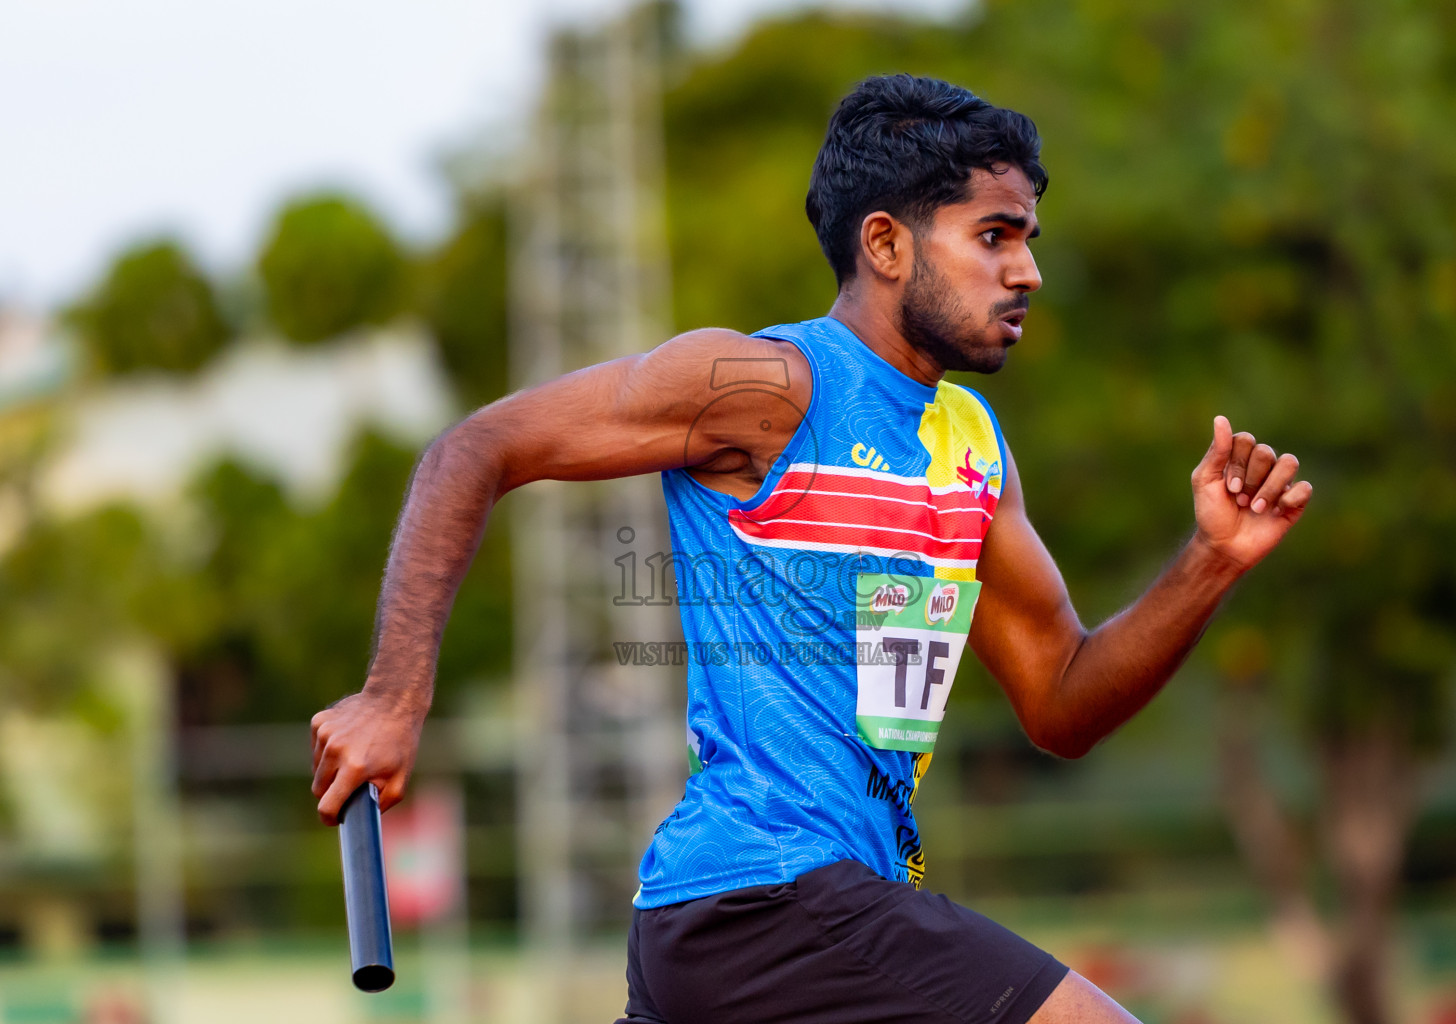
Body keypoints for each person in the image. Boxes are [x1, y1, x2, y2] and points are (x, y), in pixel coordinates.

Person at [310, 74, 1312, 1023]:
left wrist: (1211, 560)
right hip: (763, 896)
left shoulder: (971, 449)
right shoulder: (766, 387)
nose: (1027, 272)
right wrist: (394, 696)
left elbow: (1062, 703)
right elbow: (475, 448)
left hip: (804, 916)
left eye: (1028, 238)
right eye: (994, 235)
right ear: (885, 243)